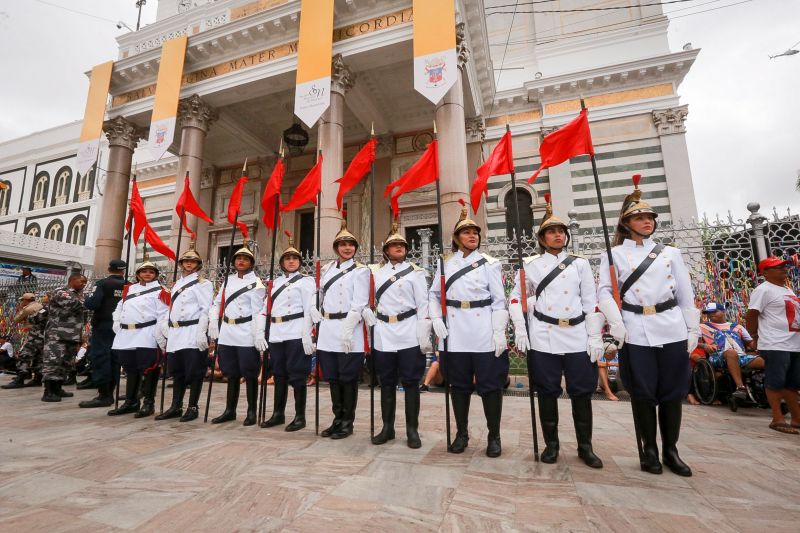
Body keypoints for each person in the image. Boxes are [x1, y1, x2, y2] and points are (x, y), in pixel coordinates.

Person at [598, 176, 699, 477]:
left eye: (649, 217)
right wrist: (615, 321)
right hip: (634, 327)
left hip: (670, 326)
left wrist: (691, 329)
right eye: (639, 217)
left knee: (671, 391)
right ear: (626, 223)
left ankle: (671, 449)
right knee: (642, 392)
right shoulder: (612, 254)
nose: (646, 222)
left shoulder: (671, 254)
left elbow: (685, 294)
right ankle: (649, 450)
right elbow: (604, 290)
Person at [509, 195, 604, 468]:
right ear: (542, 238)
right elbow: (516, 298)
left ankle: (585, 447)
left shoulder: (580, 264)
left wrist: (595, 334)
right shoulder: (530, 265)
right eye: (552, 232)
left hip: (576, 335)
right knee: (547, 392)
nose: (558, 235)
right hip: (544, 334)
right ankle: (551, 445)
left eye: (561, 231)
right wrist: (520, 328)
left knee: (581, 392)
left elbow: (590, 301)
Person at [428, 200, 508, 457]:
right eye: (466, 232)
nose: (472, 235)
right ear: (456, 237)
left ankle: (494, 436)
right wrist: (436, 319)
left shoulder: (489, 263)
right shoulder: (444, 264)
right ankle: (461, 433)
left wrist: (498, 332)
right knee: (458, 385)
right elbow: (433, 296)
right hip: (454, 332)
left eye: (475, 232)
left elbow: (499, 301)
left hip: (483, 329)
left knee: (490, 387)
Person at [362, 222, 432, 448]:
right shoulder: (375, 273)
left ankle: (412, 430)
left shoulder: (416, 272)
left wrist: (424, 332)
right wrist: (366, 312)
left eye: (401, 245)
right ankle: (387, 428)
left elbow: (423, 303)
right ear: (386, 251)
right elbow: (366, 299)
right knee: (387, 382)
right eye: (394, 245)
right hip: (384, 331)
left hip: (409, 329)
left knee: (411, 382)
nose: (399, 247)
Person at [310, 217, 370, 440]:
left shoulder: (360, 271)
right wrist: (314, 310)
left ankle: (348, 422)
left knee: (348, 377)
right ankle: (337, 419)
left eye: (351, 245)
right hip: (328, 328)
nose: (347, 248)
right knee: (333, 377)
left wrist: (348, 327)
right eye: (343, 245)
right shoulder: (325, 270)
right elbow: (319, 294)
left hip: (349, 328)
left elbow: (360, 302)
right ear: (336, 248)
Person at [258, 233, 315, 431]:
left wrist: (307, 333)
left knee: (297, 374)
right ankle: (278, 414)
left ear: (299, 262)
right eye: (287, 259)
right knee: (279, 373)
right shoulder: (274, 284)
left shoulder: (306, 281)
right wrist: (260, 333)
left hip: (296, 330)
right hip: (277, 332)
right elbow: (266, 309)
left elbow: (310, 309)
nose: (291, 261)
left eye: (295, 258)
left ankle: (300, 417)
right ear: (282, 263)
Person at [207, 244, 265, 426]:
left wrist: (258, 333)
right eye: (239, 258)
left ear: (251, 263)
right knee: (231, 373)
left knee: (249, 373)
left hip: (246, 330)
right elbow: (217, 303)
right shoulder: (227, 281)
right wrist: (213, 321)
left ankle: (251, 411)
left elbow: (257, 312)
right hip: (227, 330)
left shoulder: (256, 283)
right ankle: (229, 410)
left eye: (245, 259)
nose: (241, 261)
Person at [156, 243, 213, 422]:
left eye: (193, 261)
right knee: (177, 371)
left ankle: (193, 406)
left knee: (195, 371)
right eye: (186, 261)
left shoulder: (203, 284)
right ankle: (176, 405)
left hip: (192, 330)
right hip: (176, 331)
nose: (189, 264)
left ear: (198, 264)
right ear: (181, 264)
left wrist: (201, 332)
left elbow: (206, 309)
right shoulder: (176, 284)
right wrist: (165, 326)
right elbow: (170, 307)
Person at [107, 257, 170, 417]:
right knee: (130, 368)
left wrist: (160, 335)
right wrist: (117, 324)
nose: (147, 274)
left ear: (155, 274)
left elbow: (163, 315)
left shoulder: (160, 291)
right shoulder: (129, 289)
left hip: (147, 333)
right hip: (127, 334)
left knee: (149, 368)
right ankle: (131, 401)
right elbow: (118, 309)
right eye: (144, 271)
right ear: (138, 274)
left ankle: (148, 403)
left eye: (151, 271)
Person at [745, 257, 800, 434]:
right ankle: (777, 418)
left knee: (792, 383)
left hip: (794, 343)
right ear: (765, 272)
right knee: (776, 381)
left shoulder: (787, 289)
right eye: (777, 267)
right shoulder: (763, 290)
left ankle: (797, 419)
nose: (783, 269)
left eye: (784, 266)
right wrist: (754, 336)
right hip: (775, 343)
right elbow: (752, 315)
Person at [79, 259, 128, 408]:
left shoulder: (102, 284)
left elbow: (92, 303)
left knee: (100, 357)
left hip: (103, 325)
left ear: (109, 268)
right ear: (123, 270)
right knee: (115, 359)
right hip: (121, 327)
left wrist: (86, 298)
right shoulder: (129, 285)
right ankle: (110, 392)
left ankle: (104, 395)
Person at [699, 302, 761, 401]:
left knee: (765, 360)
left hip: (741, 357)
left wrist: (756, 336)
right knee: (731, 353)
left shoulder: (737, 327)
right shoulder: (702, 327)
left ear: (723, 312)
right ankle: (740, 388)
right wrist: (704, 345)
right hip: (717, 357)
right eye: (708, 313)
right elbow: (692, 342)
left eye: (714, 312)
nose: (711, 314)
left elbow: (752, 345)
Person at [41, 273, 88, 402]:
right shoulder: (61, 292)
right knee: (53, 362)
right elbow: (74, 305)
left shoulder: (80, 295)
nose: (84, 284)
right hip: (57, 334)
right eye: (81, 281)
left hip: (72, 335)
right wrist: (90, 301)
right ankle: (49, 391)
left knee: (65, 363)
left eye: (85, 282)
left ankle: (58, 388)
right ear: (72, 280)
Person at [1, 293, 43, 389]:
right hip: (44, 335)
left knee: (24, 355)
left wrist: (21, 308)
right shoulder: (41, 306)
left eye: (22, 300)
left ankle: (20, 379)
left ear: (26, 300)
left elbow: (16, 319)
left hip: (34, 335)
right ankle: (37, 379)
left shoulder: (28, 309)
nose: (21, 302)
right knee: (38, 357)